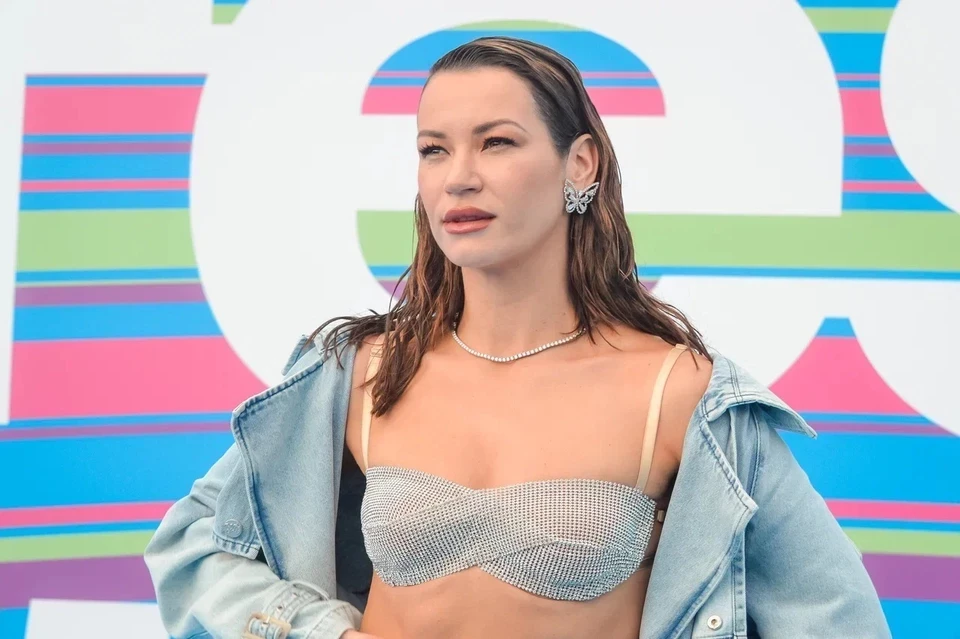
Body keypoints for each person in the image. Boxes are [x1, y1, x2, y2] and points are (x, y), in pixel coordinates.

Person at [144, 36, 891, 639]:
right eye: (434, 149)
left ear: (580, 164)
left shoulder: (681, 394)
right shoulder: (363, 376)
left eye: (496, 143)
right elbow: (194, 542)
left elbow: (835, 616)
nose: (458, 178)